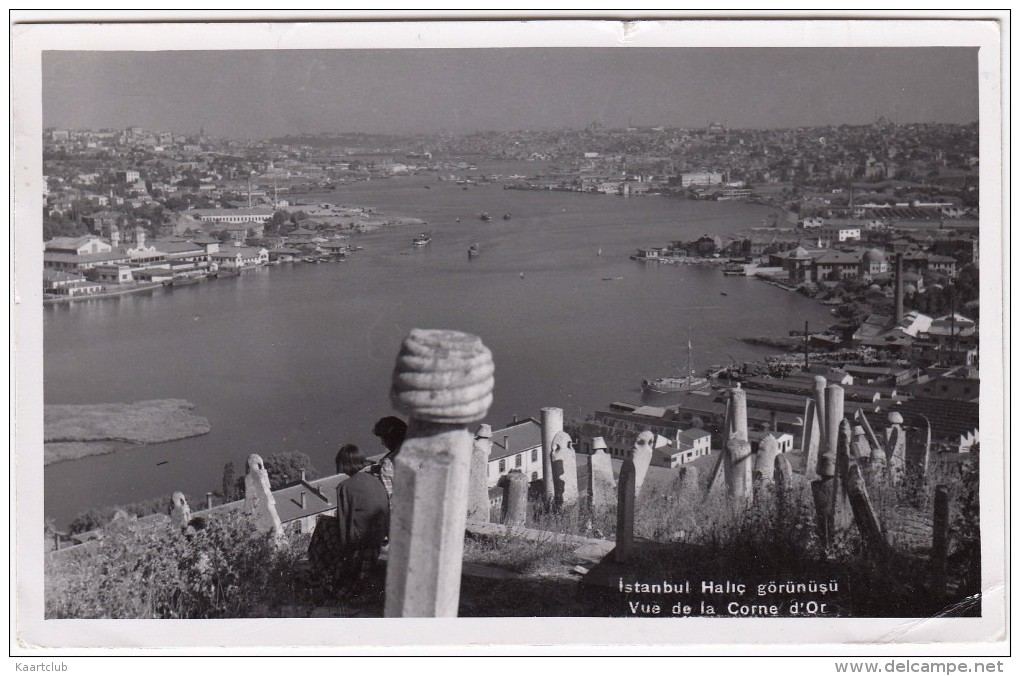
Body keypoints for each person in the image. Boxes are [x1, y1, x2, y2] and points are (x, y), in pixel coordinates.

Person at [308, 444, 389, 597]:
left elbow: (344, 523)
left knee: (323, 525)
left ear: (344, 464)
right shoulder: (376, 480)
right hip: (376, 542)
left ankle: (322, 576)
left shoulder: (345, 486)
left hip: (359, 543)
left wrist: (345, 556)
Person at [369, 416, 407, 500]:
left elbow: (391, 500)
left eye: (383, 439)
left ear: (391, 438)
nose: (382, 443)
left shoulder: (388, 463)